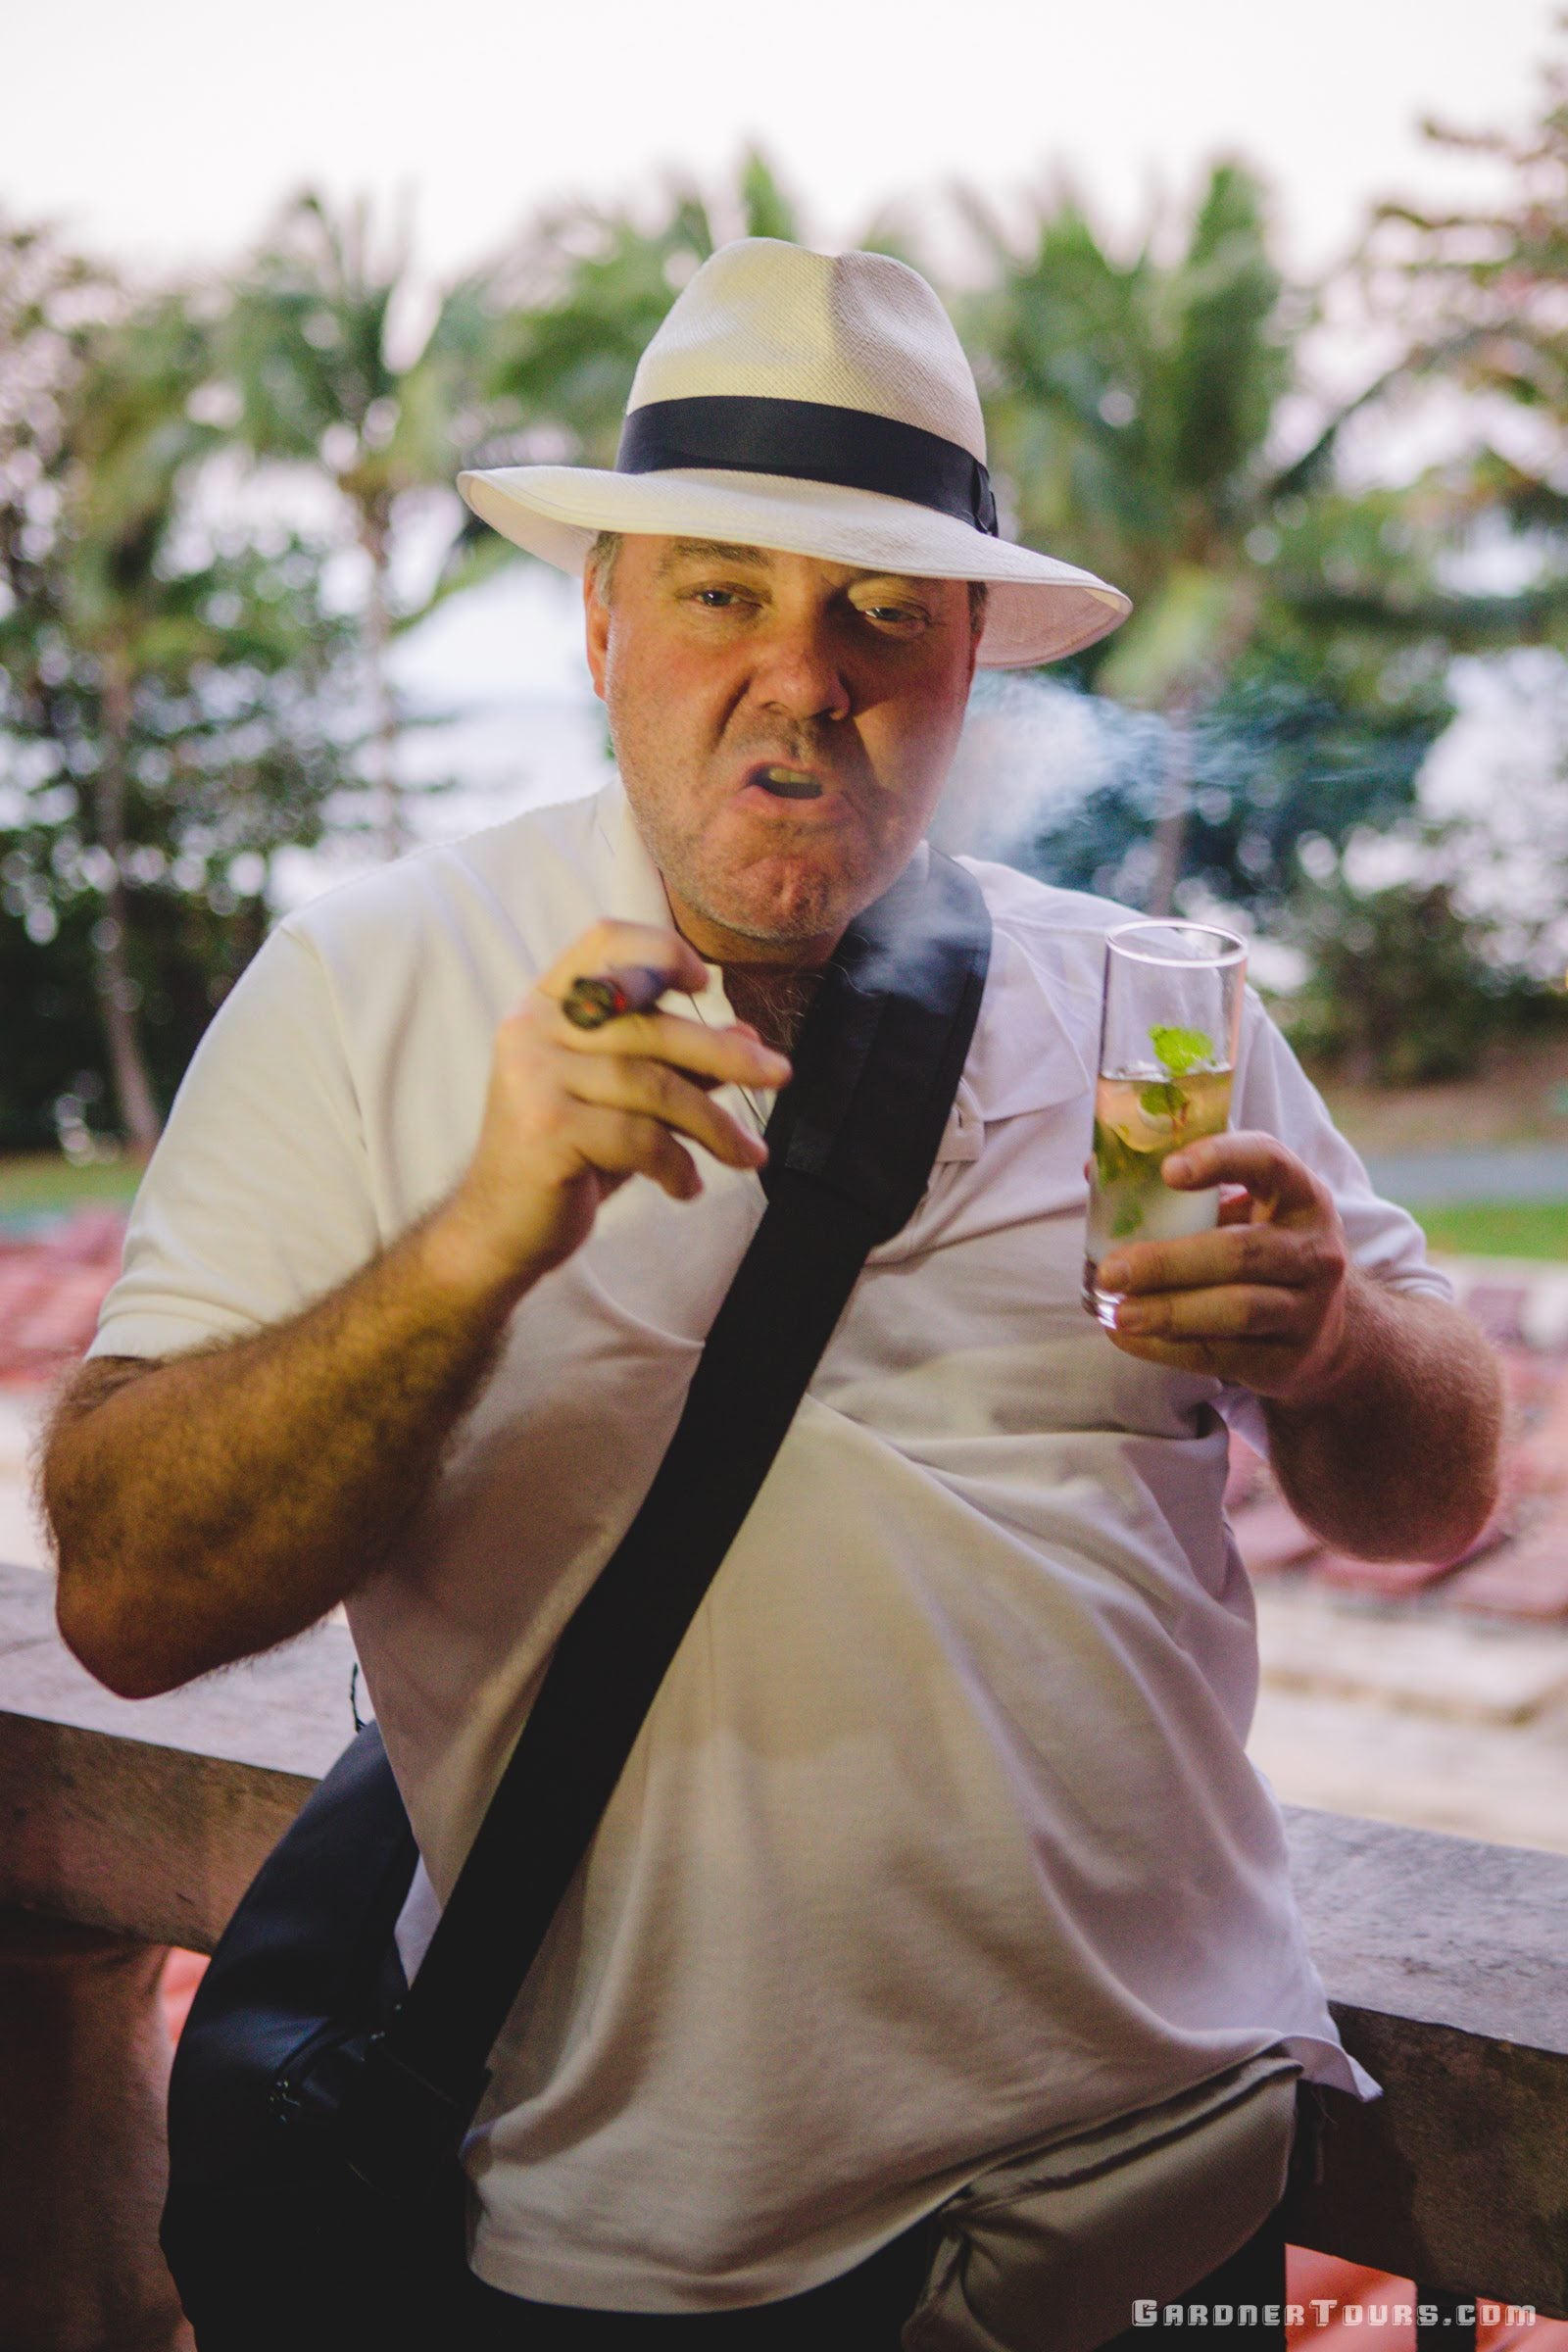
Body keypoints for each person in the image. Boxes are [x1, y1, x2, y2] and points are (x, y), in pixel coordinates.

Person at [43, 239, 1502, 2348]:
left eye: (880, 614)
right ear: (601, 616)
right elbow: (127, 1593)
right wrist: (477, 1240)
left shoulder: (1142, 1002)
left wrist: (1340, 1339)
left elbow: (1427, 1489)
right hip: (652, 2260)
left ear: (972, 657)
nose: (800, 675)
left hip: (1166, 2186)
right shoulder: (371, 985)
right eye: (721, 590)